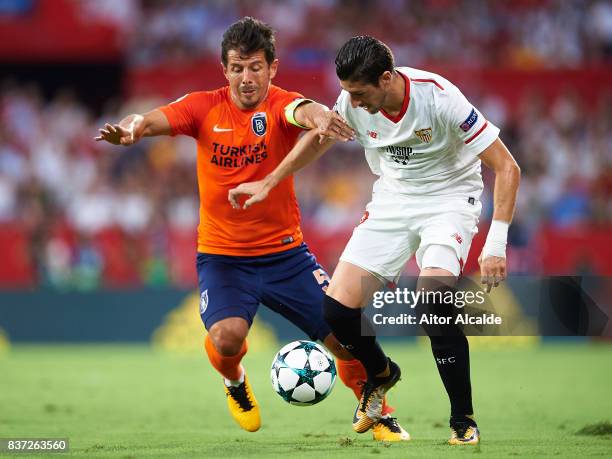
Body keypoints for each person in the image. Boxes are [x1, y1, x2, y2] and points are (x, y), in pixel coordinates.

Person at [95, 20, 409, 441]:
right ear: (224, 70)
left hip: (286, 257)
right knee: (227, 338)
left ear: (273, 68)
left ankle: (378, 413)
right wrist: (133, 129)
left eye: (256, 68)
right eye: (238, 68)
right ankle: (235, 383)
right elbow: (149, 119)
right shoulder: (202, 107)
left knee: (347, 338)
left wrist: (321, 116)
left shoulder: (280, 104)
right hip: (224, 259)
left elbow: (305, 110)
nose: (247, 78)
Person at [229, 35, 521, 445]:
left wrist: (496, 244)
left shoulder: (439, 99)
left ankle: (463, 420)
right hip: (393, 200)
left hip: (449, 199)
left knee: (433, 301)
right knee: (336, 308)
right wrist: (271, 178)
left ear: (387, 79)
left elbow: (507, 167)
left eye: (360, 93)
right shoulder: (351, 101)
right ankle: (382, 372)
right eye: (346, 92)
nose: (352, 102)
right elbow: (319, 138)